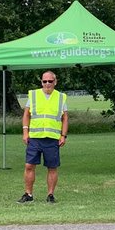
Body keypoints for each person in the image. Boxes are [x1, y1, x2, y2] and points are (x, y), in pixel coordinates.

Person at [19, 70, 68, 203]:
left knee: (52, 167)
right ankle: (28, 194)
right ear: (41, 82)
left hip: (52, 138)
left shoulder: (61, 97)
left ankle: (50, 195)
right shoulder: (33, 95)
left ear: (55, 82)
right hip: (35, 137)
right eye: (44, 81)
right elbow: (26, 114)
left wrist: (63, 135)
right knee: (29, 166)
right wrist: (25, 132)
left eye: (50, 81)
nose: (47, 84)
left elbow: (65, 118)